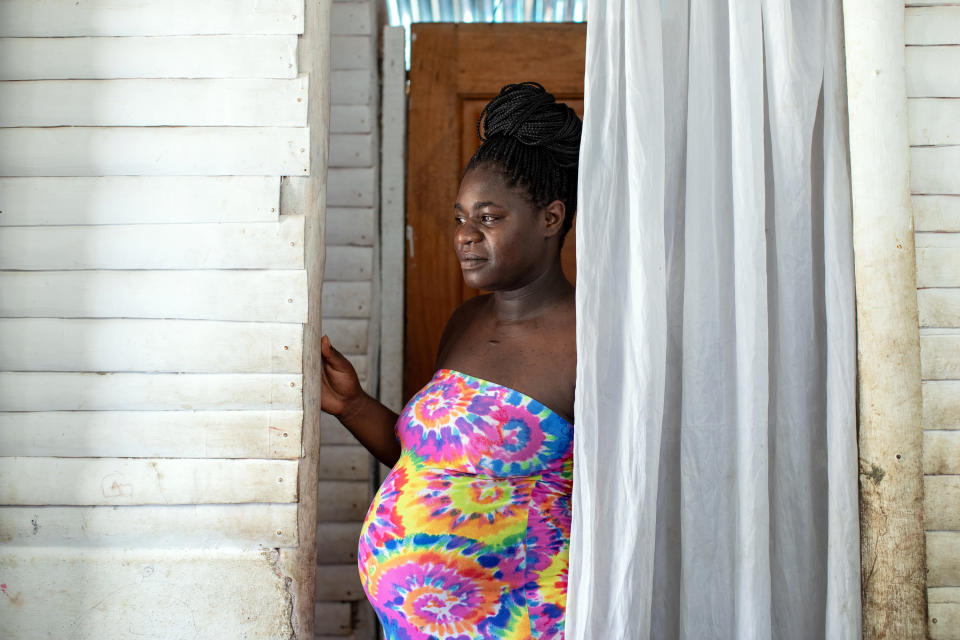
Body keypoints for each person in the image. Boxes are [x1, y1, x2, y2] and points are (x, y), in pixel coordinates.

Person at [320, 81, 580, 640]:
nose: (465, 236)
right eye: (460, 217)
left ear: (550, 217)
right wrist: (352, 405)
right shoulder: (465, 323)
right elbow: (432, 466)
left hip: (526, 623)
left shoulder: (591, 338)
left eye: (488, 218)